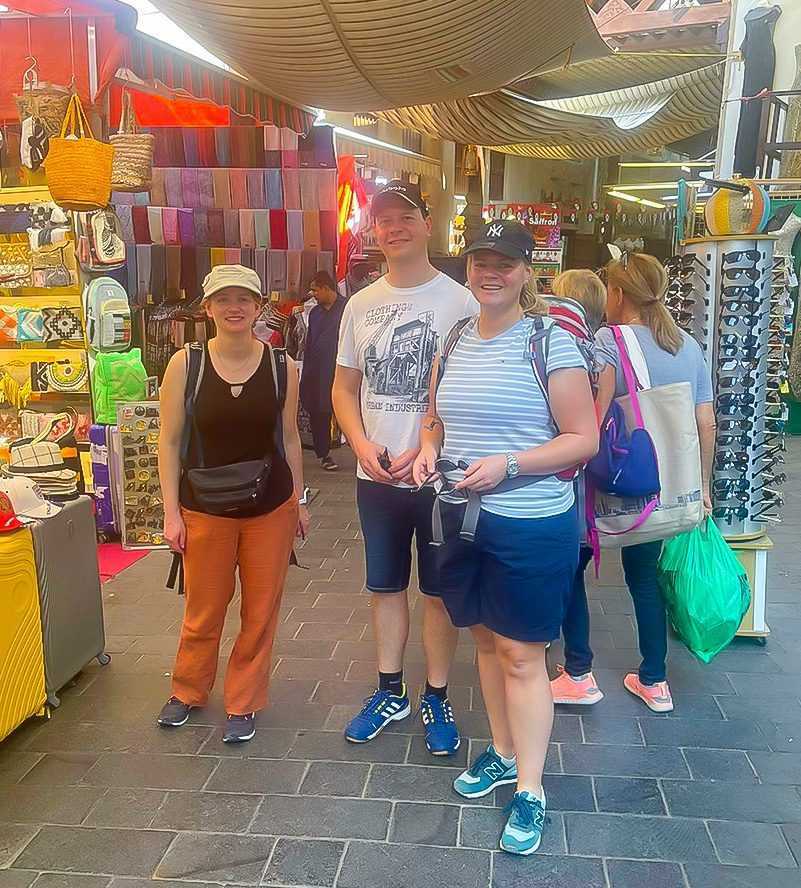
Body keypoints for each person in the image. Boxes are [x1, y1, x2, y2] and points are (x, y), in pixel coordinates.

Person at [413, 220, 598, 855]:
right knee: (487, 645)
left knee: (524, 656)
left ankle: (531, 787)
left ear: (527, 273)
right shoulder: (456, 339)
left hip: (531, 521)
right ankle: (499, 749)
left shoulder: (553, 344)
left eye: (505, 264)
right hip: (463, 517)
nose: (490, 273)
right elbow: (435, 417)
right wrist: (428, 449)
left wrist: (510, 464)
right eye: (481, 261)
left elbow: (583, 437)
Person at [332, 179, 477, 755]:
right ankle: (389, 689)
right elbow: (344, 387)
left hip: (442, 477)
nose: (393, 228)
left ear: (426, 223)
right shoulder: (361, 305)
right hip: (379, 476)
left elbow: (468, 388)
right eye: (383, 219)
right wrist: (360, 445)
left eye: (404, 217)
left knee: (438, 591)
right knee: (385, 586)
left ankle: (436, 694)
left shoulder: (460, 301)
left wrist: (430, 446)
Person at [156, 265, 310, 743]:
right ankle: (188, 690)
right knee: (204, 607)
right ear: (208, 308)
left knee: (261, 611)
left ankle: (243, 701)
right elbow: (168, 441)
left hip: (269, 508)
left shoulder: (281, 366)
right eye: (224, 299)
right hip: (203, 507)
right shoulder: (187, 363)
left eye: (244, 298)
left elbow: (289, 439)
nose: (235, 307)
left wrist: (299, 502)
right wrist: (170, 512)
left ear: (259, 305)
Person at [557, 252, 715, 713]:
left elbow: (597, 413)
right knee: (645, 580)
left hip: (606, 481)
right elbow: (706, 422)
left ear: (619, 294)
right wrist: (702, 487)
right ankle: (655, 681)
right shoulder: (687, 344)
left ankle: (579, 673)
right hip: (658, 490)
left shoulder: (609, 338)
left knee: (572, 571)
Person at [544, 269, 611, 706]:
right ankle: (571, 662)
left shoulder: (552, 348)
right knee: (571, 577)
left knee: (563, 578)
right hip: (588, 491)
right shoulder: (600, 358)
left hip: (560, 486)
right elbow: (596, 430)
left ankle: (579, 670)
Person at [300, 271, 347, 471]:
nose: (313, 294)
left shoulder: (347, 308)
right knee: (319, 412)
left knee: (349, 411)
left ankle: (366, 450)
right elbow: (309, 343)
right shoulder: (315, 313)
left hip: (341, 370)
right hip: (317, 371)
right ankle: (324, 453)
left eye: (316, 290)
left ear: (327, 288)